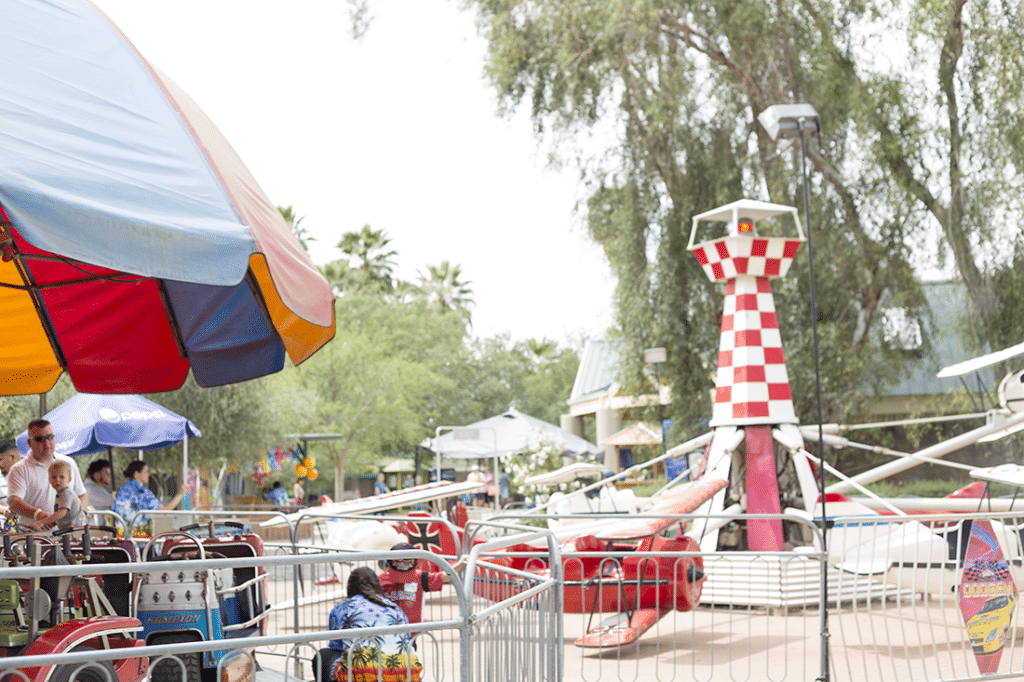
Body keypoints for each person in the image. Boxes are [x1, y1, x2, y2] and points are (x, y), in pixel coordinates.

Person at [322, 566, 421, 682]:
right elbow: (409, 643)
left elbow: (336, 646)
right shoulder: (395, 608)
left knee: (323, 655)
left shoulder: (343, 607)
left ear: (350, 587)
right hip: (405, 674)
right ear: (378, 585)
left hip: (362, 675)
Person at [8, 419, 87, 530]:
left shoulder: (68, 463)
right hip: (35, 537)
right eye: (40, 439)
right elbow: (14, 502)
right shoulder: (19, 469)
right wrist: (37, 514)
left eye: (50, 437)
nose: (46, 442)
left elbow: (82, 495)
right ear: (29, 443)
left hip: (69, 536)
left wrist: (81, 513)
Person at [379, 542, 467, 625]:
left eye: (408, 562)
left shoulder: (420, 577)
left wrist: (459, 564)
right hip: (388, 629)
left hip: (411, 631)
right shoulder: (380, 580)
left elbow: (444, 577)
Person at [113, 460, 185, 536]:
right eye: (146, 472)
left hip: (120, 537)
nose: (148, 474)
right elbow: (164, 511)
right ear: (137, 474)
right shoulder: (143, 492)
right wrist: (181, 493)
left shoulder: (121, 491)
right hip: (139, 539)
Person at [31, 460, 85, 532]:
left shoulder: (67, 494)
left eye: (62, 477)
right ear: (49, 480)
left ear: (69, 479)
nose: (57, 480)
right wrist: (52, 523)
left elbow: (61, 513)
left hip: (77, 530)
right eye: (54, 477)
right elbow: (63, 516)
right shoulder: (60, 495)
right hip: (68, 530)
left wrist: (41, 522)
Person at [0, 439, 21, 520]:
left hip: (32, 528)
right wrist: (3, 510)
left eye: (0, 460)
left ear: (12, 457)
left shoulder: (31, 472)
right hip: (4, 530)